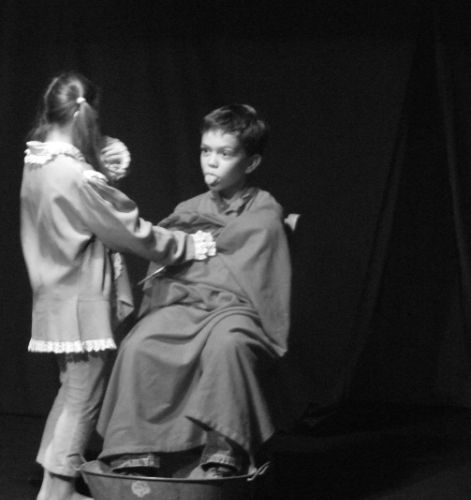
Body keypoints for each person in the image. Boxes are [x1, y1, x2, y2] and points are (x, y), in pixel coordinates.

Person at [20, 71, 215, 500]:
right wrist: (187, 244)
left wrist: (100, 158)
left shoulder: (38, 162)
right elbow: (129, 230)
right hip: (81, 301)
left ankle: (52, 486)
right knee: (83, 397)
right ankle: (58, 489)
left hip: (55, 295)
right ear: (84, 114)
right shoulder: (75, 175)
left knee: (73, 390)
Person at [96, 104, 292, 479]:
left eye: (225, 153)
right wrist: (196, 265)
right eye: (206, 150)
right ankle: (137, 449)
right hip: (185, 305)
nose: (211, 162)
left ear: (251, 163)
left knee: (228, 345)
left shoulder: (264, 211)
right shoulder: (189, 209)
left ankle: (225, 448)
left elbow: (255, 277)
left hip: (236, 310)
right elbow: (168, 270)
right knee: (141, 343)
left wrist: (200, 263)